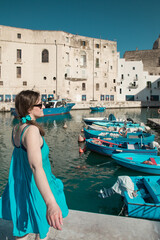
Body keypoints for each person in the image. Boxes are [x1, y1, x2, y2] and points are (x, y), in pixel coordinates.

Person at [0, 90, 68, 240]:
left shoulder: (17, 128)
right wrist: (50, 202)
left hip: (22, 186)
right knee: (42, 229)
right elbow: (36, 166)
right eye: (40, 104)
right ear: (30, 108)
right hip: (36, 187)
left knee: (22, 230)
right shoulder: (32, 131)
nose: (44, 106)